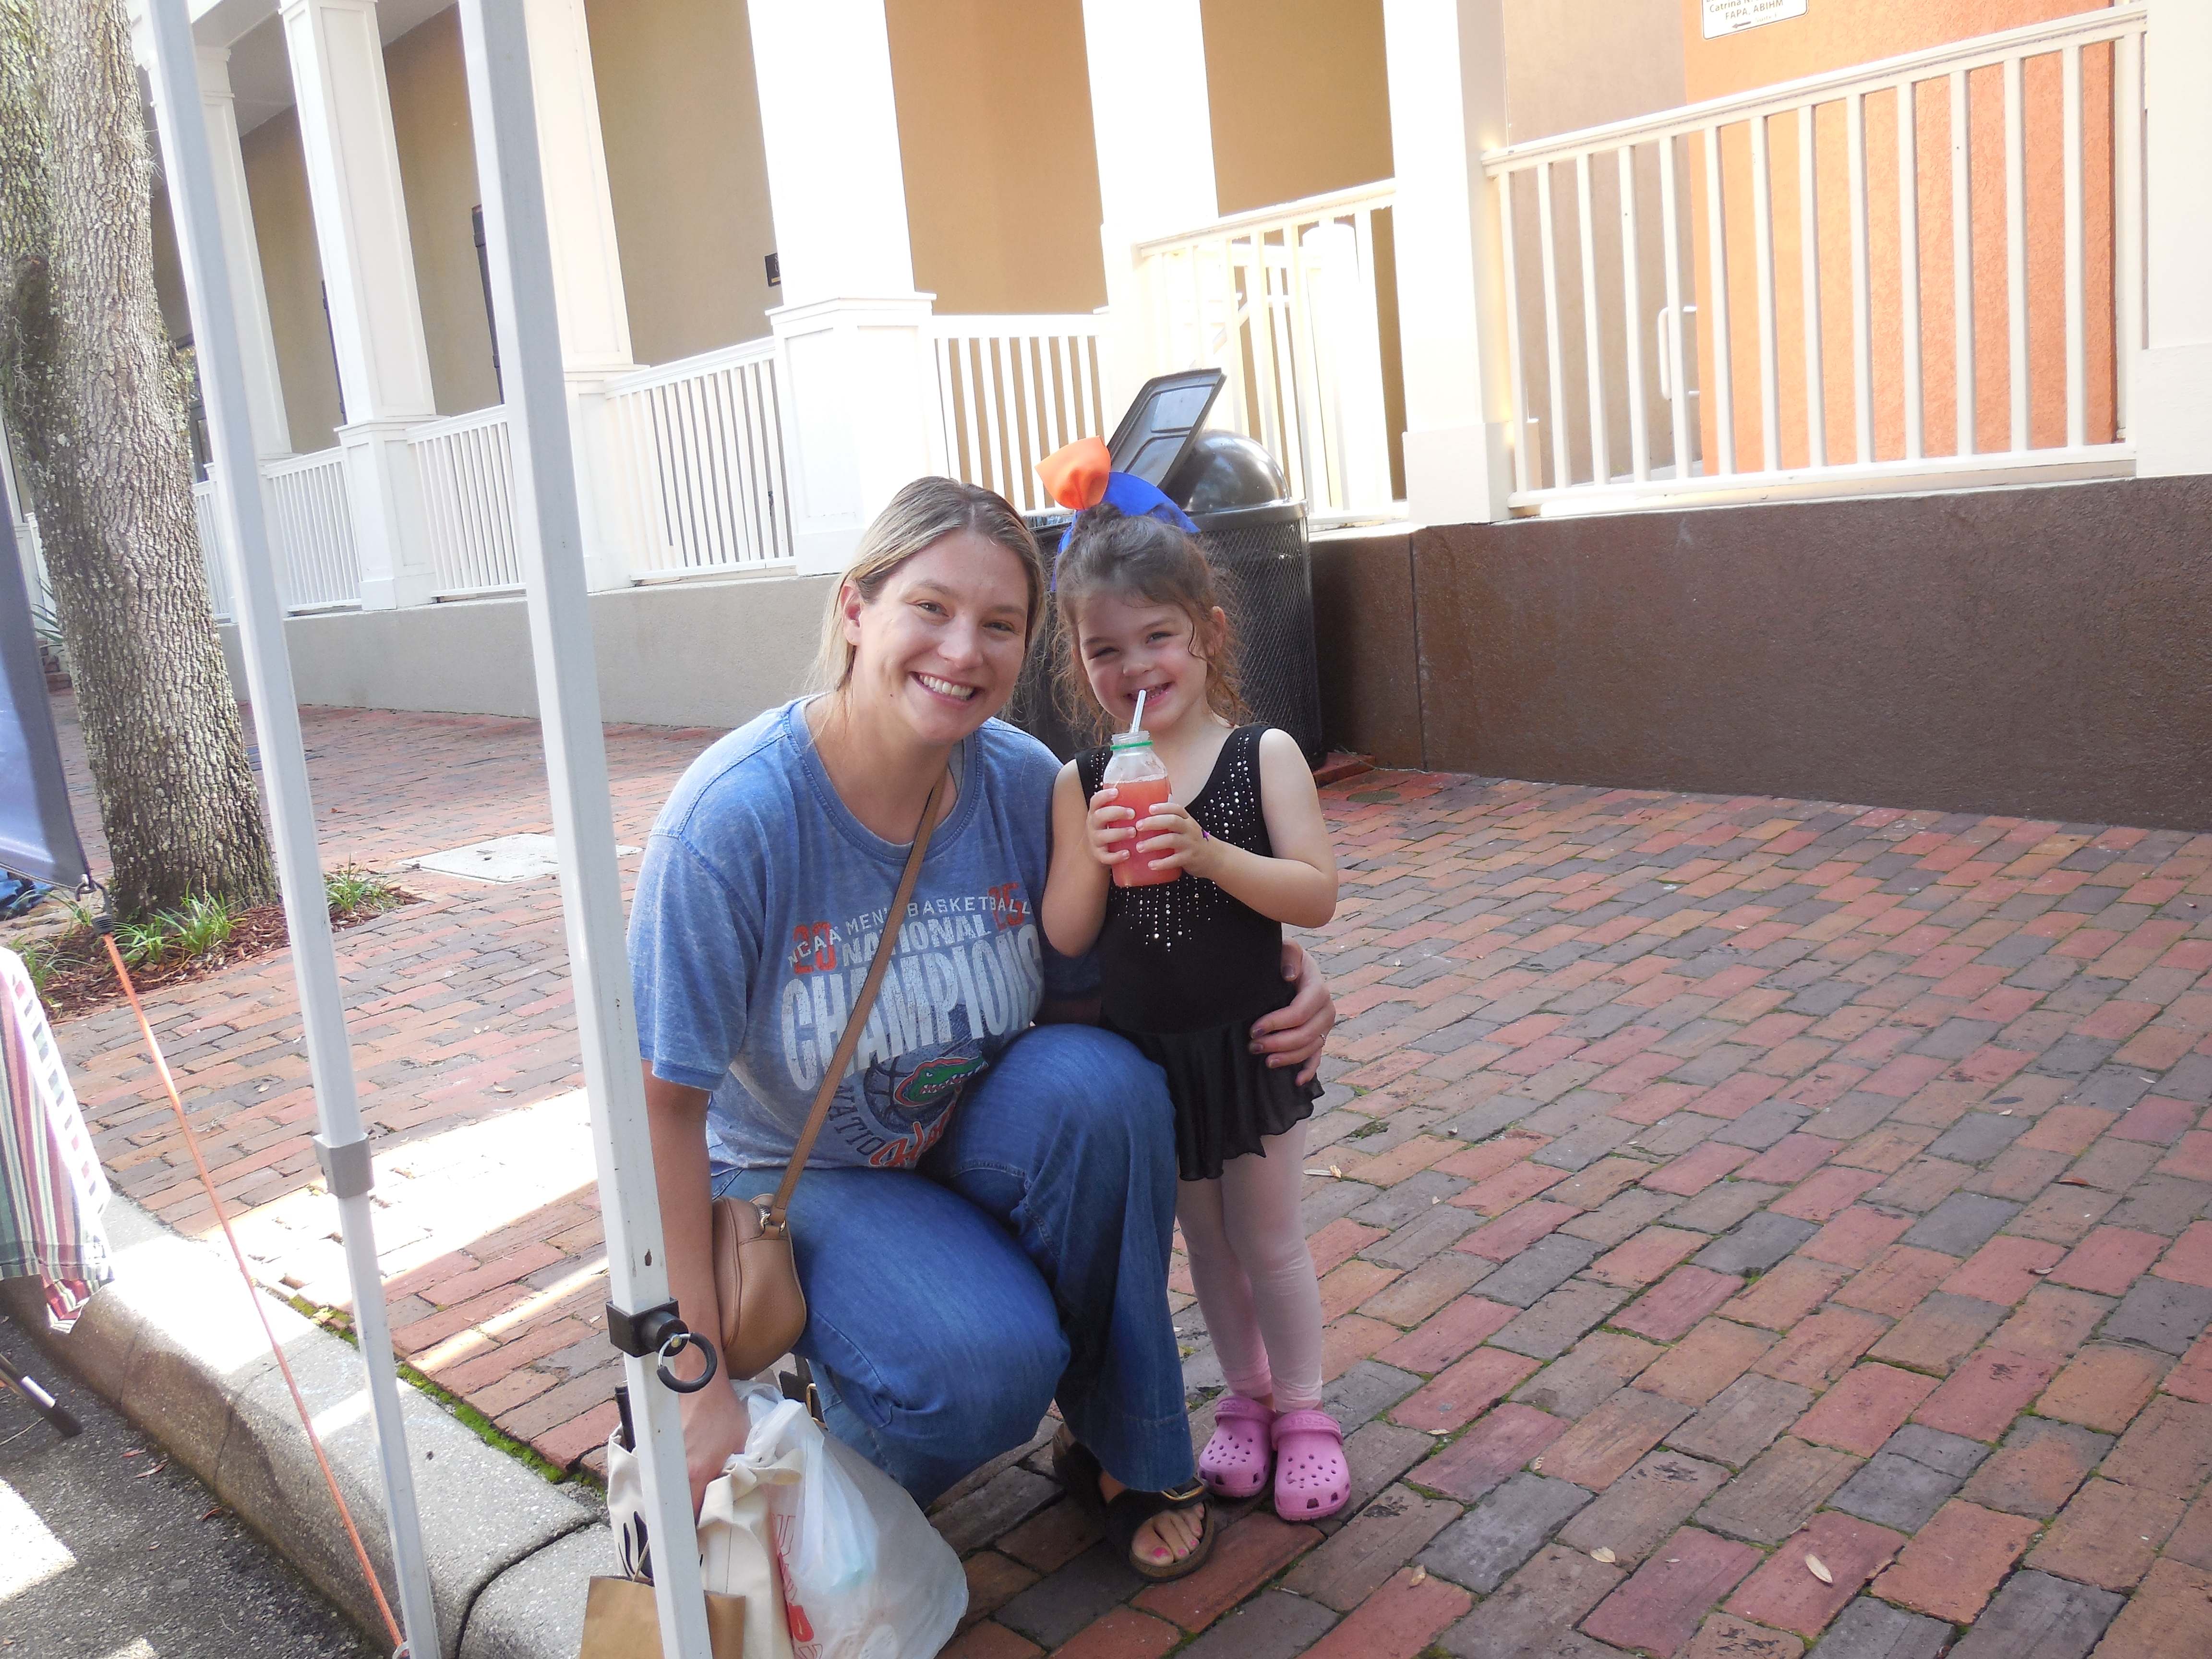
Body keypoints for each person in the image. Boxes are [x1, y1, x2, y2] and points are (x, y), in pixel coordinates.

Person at [626, 477, 1336, 1582]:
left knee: (1107, 1087)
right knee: (981, 1375)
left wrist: (1283, 981)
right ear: (858, 608)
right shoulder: (736, 821)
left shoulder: (1021, 782)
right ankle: (827, 1438)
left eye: (999, 624)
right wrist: (696, 1373)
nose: (964, 650)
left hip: (970, 1133)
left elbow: (1117, 980)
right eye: (931, 609)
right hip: (807, 1169)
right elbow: (663, 1106)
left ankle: (1127, 1447)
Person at [1040, 503, 1350, 1524]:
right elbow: (1071, 933)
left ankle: (1306, 1410)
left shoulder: (1260, 756)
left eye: (1156, 637)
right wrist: (1091, 843)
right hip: (1151, 1062)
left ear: (1207, 632)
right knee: (1205, 1247)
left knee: (1268, 1239)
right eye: (1104, 649)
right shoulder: (1078, 781)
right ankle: (1247, 1398)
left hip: (1248, 1043)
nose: (1134, 666)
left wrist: (1209, 853)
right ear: (1079, 661)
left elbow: (1315, 893)